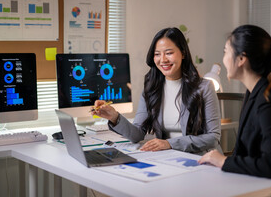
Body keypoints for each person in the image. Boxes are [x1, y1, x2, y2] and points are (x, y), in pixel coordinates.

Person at [198, 25, 271, 196]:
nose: (224, 59)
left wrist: (223, 161)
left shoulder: (268, 99)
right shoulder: (253, 93)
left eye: (226, 52)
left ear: (241, 59)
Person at [91, 27, 222, 154]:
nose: (163, 60)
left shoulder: (204, 87)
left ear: (183, 53)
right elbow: (137, 134)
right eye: (157, 54)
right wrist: (114, 117)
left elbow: (213, 137)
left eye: (169, 53)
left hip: (200, 158)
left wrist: (170, 143)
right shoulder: (151, 88)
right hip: (168, 157)